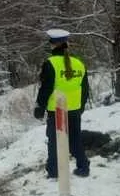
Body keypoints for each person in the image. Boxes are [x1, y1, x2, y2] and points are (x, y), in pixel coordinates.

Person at [34, 28, 90, 178]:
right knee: (75, 139)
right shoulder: (79, 63)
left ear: (52, 44)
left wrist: (40, 106)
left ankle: (54, 171)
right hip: (75, 108)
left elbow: (46, 88)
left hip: (58, 109)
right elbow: (85, 88)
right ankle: (83, 167)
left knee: (55, 141)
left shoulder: (50, 63)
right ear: (67, 44)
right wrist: (81, 106)